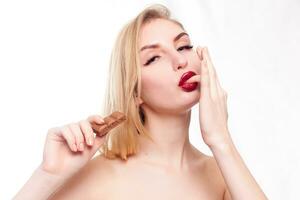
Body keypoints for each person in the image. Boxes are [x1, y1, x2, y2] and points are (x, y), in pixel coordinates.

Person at [13, 4, 268, 200]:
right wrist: (48, 175)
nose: (180, 61)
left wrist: (220, 140)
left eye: (183, 46)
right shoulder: (99, 175)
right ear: (134, 91)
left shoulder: (222, 173)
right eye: (153, 58)